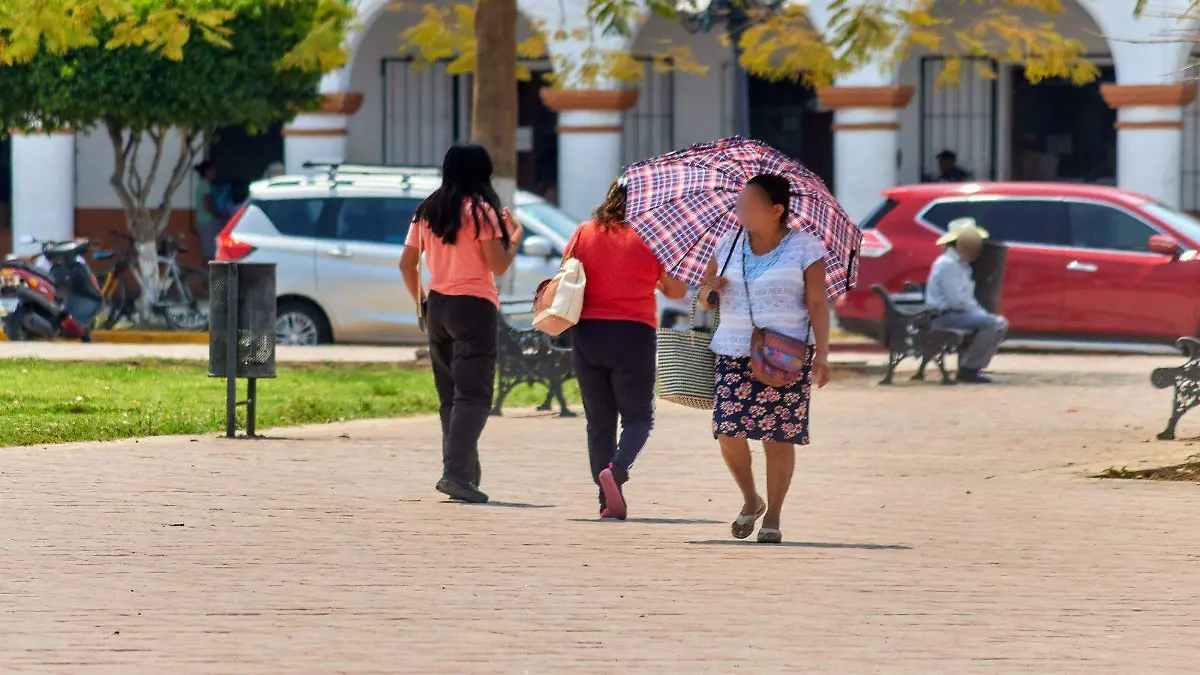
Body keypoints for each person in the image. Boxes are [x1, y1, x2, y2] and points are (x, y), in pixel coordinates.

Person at [698, 174, 832, 544]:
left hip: (785, 354)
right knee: (727, 431)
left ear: (776, 210)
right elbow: (705, 300)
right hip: (733, 350)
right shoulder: (726, 244)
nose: (740, 210)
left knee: (778, 437)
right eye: (739, 203)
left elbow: (818, 303)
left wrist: (823, 352)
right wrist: (710, 291)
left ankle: (773, 515)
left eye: (750, 204)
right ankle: (750, 498)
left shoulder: (806, 247)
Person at [399, 143, 523, 504]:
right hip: (474, 307)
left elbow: (406, 265)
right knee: (474, 395)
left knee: (450, 396)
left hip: (436, 306)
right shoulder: (482, 211)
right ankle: (455, 473)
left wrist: (420, 301)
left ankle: (464, 473)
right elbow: (498, 265)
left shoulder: (427, 209)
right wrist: (513, 238)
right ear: (482, 174)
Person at [565, 179, 688, 520]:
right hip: (633, 334)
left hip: (586, 332)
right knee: (637, 418)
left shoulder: (583, 232)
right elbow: (676, 291)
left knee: (598, 421)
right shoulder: (654, 236)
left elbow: (567, 274)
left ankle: (605, 499)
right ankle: (615, 473)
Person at [925, 217, 1008, 384]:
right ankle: (969, 369)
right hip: (945, 316)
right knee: (994, 324)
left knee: (997, 323)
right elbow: (956, 301)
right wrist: (980, 314)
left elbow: (966, 298)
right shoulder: (947, 264)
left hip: (957, 314)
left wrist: (980, 313)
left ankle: (971, 366)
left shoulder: (962, 265)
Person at [193, 161, 229, 261]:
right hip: (208, 223)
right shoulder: (205, 186)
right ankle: (206, 275)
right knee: (210, 253)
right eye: (213, 170)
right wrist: (222, 216)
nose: (215, 173)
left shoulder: (204, 185)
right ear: (207, 172)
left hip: (206, 222)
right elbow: (208, 206)